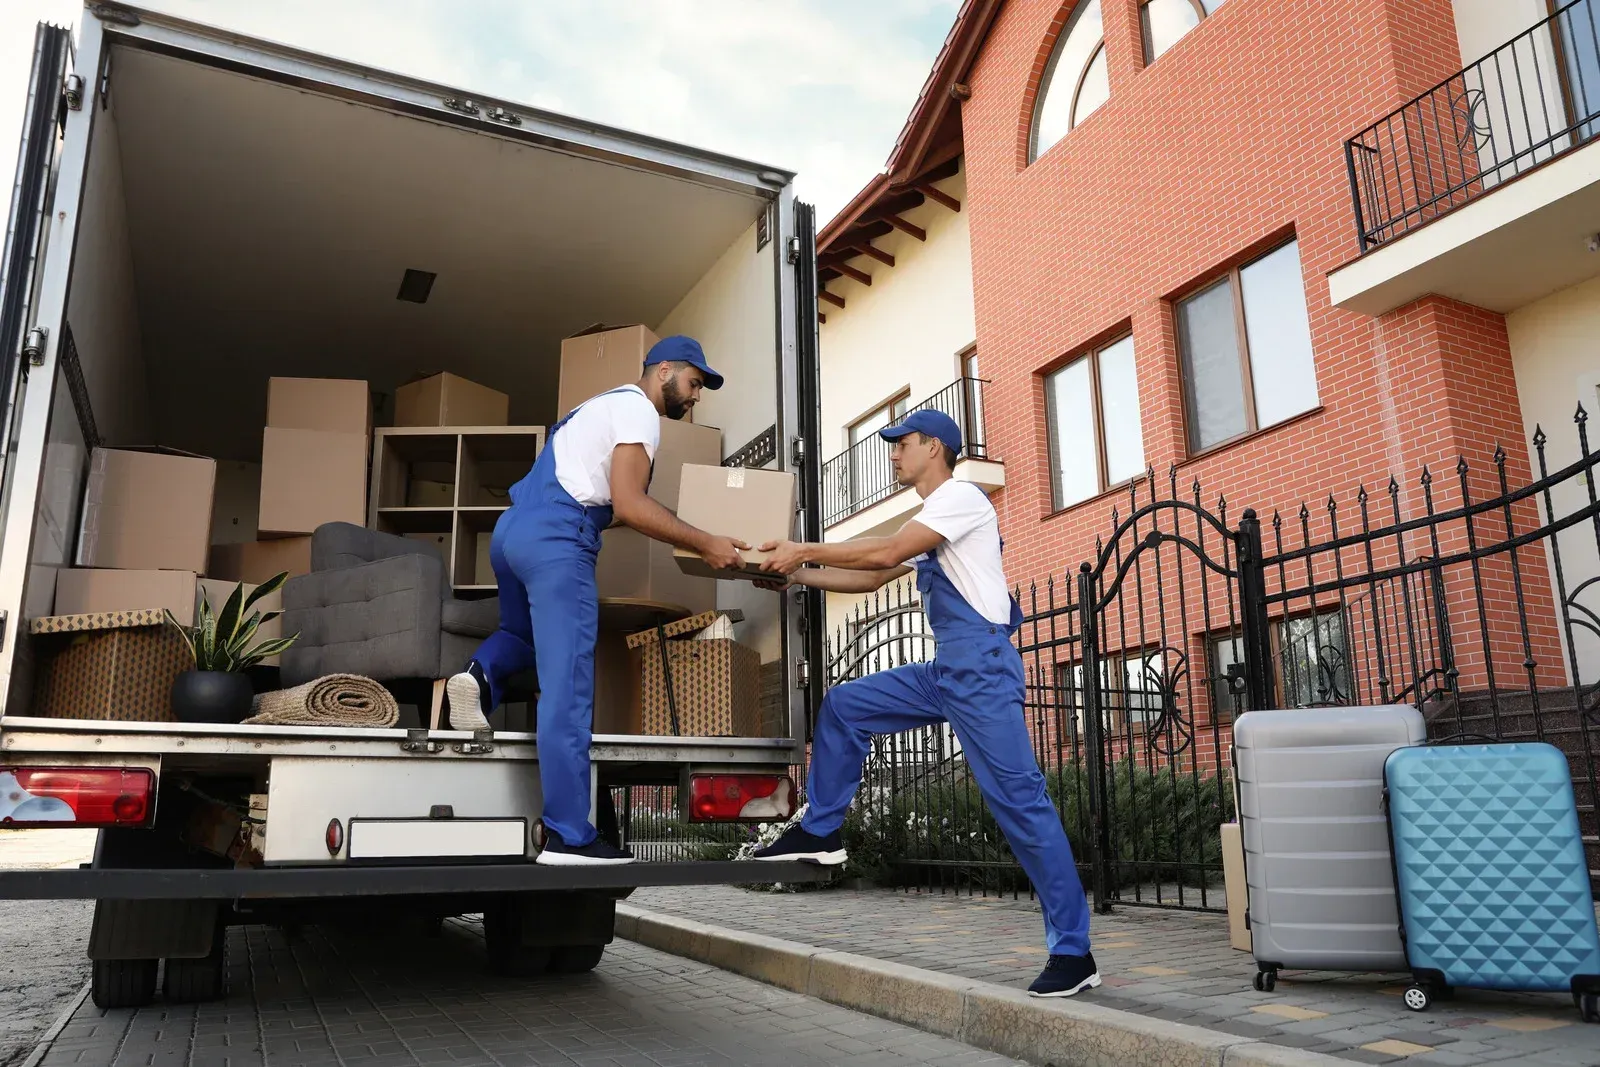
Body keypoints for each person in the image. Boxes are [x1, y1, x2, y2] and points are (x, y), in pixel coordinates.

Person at [746, 408, 1099, 998]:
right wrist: (797, 574)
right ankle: (822, 830)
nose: (891, 454)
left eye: (900, 443)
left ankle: (1074, 952)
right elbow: (870, 579)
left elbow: (883, 555)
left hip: (982, 670)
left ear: (934, 448)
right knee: (846, 705)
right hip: (948, 671)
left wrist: (797, 548)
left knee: (1022, 808)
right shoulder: (933, 517)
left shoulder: (961, 497)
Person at [445, 335, 748, 867]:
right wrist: (707, 542)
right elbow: (629, 503)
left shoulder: (593, 407)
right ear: (663, 374)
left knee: (522, 637)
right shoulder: (639, 412)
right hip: (558, 542)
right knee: (567, 684)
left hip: (511, 533)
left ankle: (480, 676)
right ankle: (568, 835)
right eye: (694, 383)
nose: (696, 396)